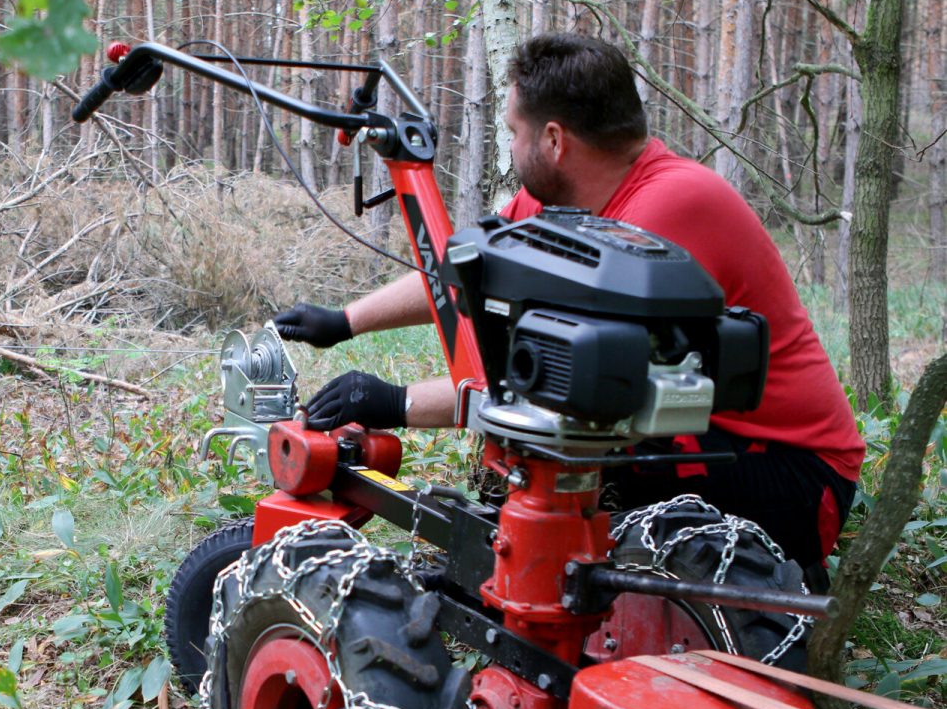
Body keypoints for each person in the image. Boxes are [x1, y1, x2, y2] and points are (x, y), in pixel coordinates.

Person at [275, 33, 863, 590]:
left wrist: (394, 402)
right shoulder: (566, 194)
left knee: (569, 437)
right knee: (526, 460)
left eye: (513, 132)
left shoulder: (669, 209)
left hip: (798, 477)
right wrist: (345, 320)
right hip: (705, 436)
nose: (511, 145)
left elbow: (550, 385)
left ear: (554, 141)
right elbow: (471, 273)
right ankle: (535, 584)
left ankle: (742, 581)